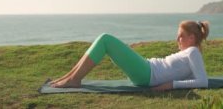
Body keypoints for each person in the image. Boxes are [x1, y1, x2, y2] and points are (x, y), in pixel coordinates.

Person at [50, 20, 210, 91]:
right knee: (104, 39)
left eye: (181, 35)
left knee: (105, 39)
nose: (177, 39)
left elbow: (202, 81)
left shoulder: (193, 51)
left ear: (192, 38)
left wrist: (170, 85)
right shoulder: (190, 53)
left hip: (148, 73)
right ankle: (70, 77)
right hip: (147, 68)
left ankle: (74, 79)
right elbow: (194, 76)